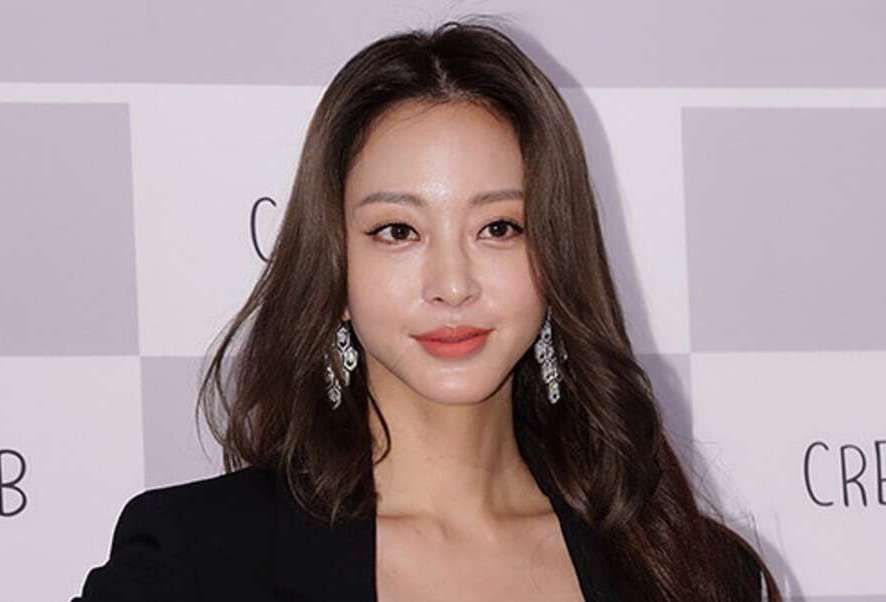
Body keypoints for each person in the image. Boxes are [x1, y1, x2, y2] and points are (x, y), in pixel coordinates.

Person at [73, 17, 781, 602]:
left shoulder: (695, 572)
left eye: (499, 227)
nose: (452, 284)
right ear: (334, 268)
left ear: (557, 256)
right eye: (398, 231)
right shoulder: (196, 561)